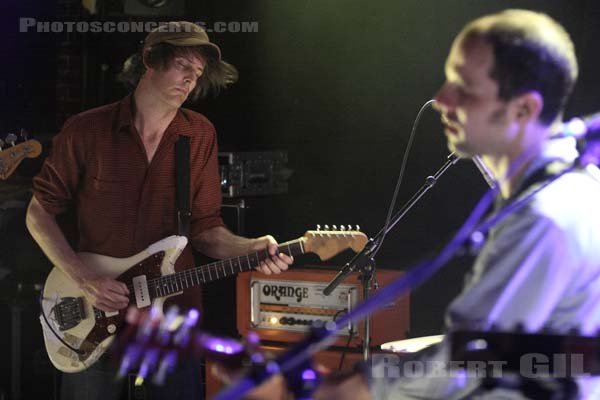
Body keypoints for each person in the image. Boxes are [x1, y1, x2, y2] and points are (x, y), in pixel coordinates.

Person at [233, 9, 600, 400]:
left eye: (465, 87)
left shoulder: (542, 217)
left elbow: (466, 359)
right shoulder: (573, 192)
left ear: (523, 109)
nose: (442, 99)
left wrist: (332, 391)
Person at [26, 21, 293, 400]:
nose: (190, 79)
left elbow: (204, 229)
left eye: (197, 73)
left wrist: (249, 248)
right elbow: (38, 214)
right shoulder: (87, 130)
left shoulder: (198, 134)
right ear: (151, 60)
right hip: (94, 309)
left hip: (172, 316)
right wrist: (86, 280)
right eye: (182, 65)